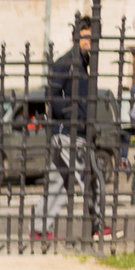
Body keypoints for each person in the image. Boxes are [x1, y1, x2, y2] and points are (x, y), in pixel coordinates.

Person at [38, 16, 104, 242]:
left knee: (58, 182)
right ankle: (98, 225)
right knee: (89, 177)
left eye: (93, 38)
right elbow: (51, 95)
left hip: (71, 132)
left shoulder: (84, 64)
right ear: (76, 37)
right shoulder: (67, 62)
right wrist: (73, 116)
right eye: (86, 37)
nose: (90, 42)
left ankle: (39, 228)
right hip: (68, 133)